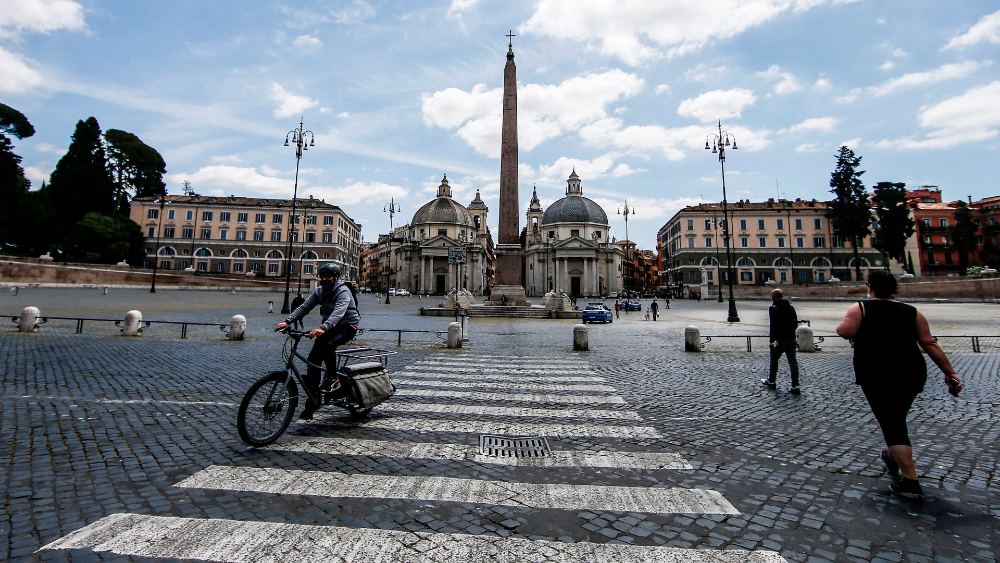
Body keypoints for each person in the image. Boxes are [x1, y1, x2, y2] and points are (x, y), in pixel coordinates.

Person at [836, 270, 962, 499]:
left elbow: (845, 331)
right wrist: (949, 372)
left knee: (892, 423)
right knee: (896, 418)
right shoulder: (913, 312)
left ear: (869, 286)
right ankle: (892, 456)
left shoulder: (861, 308)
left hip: (877, 371)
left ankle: (910, 481)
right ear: (895, 289)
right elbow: (929, 343)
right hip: (911, 371)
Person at [275, 264, 361, 420]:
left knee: (326, 343)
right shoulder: (320, 292)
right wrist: (288, 321)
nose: (324, 280)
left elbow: (339, 312)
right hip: (330, 327)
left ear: (336, 278)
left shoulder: (342, 291)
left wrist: (323, 327)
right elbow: (305, 307)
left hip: (347, 326)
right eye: (323, 277)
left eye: (328, 277)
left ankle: (334, 380)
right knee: (312, 360)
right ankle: (312, 402)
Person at [762, 288, 800, 394]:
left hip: (779, 339)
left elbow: (773, 326)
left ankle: (772, 380)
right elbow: (795, 324)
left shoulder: (773, 308)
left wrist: (772, 341)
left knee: (774, 359)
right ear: (782, 296)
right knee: (793, 362)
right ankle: (795, 385)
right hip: (791, 338)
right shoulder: (791, 307)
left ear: (773, 297)